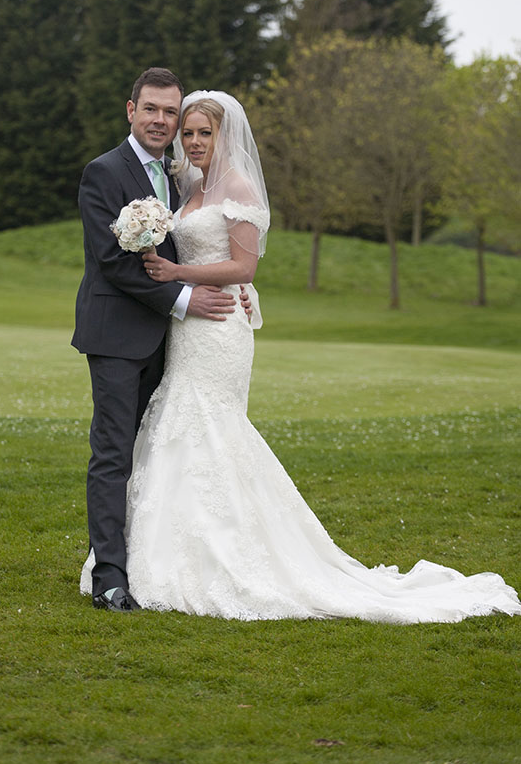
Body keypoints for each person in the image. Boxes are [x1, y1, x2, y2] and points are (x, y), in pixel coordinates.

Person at [81, 90, 521, 623]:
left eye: (202, 131)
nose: (192, 139)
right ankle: (147, 562)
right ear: (136, 112)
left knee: (212, 428)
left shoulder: (237, 187)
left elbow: (243, 267)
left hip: (215, 327)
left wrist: (181, 277)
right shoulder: (184, 183)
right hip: (183, 327)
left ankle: (228, 558)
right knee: (174, 428)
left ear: (224, 136)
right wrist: (185, 285)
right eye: (187, 130)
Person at [72, 69, 253, 613]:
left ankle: (169, 562)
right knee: (114, 452)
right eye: (151, 109)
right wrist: (185, 299)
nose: (161, 121)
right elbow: (114, 264)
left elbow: (212, 247)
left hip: (180, 343)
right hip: (120, 336)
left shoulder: (184, 179)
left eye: (170, 113)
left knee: (167, 450)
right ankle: (109, 576)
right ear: (131, 110)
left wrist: (237, 286)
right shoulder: (103, 173)